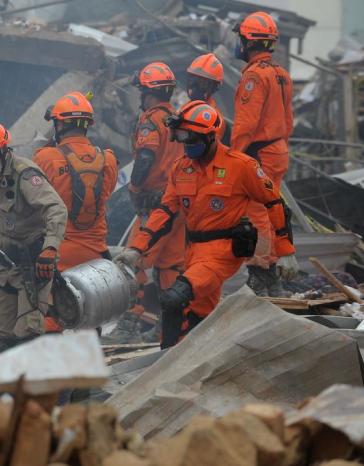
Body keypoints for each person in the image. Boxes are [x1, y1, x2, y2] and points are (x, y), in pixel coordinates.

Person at [115, 100, 297, 348]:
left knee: (174, 299)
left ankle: (165, 359)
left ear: (211, 136)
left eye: (192, 140)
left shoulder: (241, 166)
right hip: (193, 250)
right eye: (184, 140)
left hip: (221, 251)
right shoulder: (182, 169)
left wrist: (285, 252)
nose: (187, 146)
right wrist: (136, 248)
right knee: (197, 315)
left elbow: (275, 203)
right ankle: (204, 356)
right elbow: (166, 211)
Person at [0, 117, 67, 354]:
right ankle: (2, 389)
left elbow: (56, 209)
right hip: (5, 269)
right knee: (3, 339)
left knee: (27, 337)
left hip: (32, 268)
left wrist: (50, 248)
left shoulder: (25, 175)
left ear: (1, 150)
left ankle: (46, 388)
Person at [107, 62, 186, 343]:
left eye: (141, 91)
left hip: (153, 205)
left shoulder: (152, 121)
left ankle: (127, 326)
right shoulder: (176, 118)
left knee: (131, 262)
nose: (139, 97)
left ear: (149, 93)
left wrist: (136, 186)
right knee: (170, 267)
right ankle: (168, 329)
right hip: (175, 202)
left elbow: (145, 157)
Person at [32, 91, 118, 332]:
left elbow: (32, 203)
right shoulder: (108, 159)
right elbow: (107, 192)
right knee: (89, 321)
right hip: (95, 257)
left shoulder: (46, 158)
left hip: (57, 255)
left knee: (51, 318)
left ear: (59, 125)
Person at [232, 11, 297, 296]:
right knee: (272, 210)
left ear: (248, 41)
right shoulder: (281, 74)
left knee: (255, 212)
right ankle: (270, 274)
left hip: (259, 152)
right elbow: (289, 119)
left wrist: (233, 157)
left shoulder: (254, 77)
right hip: (278, 149)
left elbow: (246, 124)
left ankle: (260, 272)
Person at [186, 52, 226, 142]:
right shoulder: (185, 109)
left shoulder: (216, 119)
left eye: (202, 83)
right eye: (192, 79)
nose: (194, 85)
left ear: (214, 87)